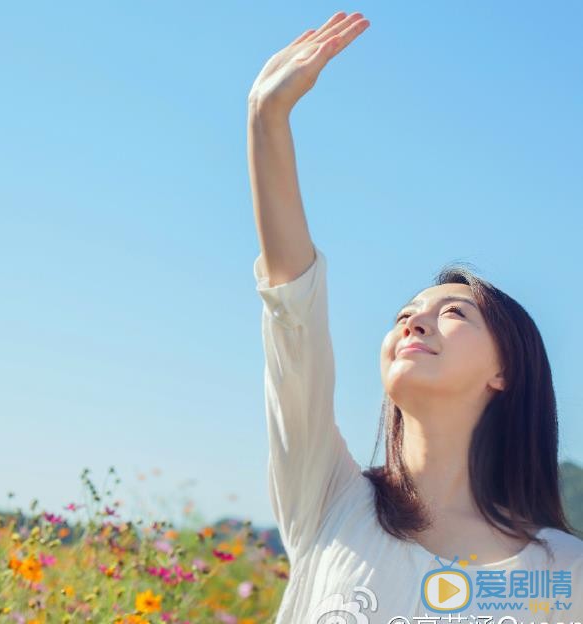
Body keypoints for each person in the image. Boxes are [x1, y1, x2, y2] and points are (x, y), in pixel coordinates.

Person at [248, 11, 583, 624]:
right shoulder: (330, 500)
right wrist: (267, 120)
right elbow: (293, 317)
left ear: (506, 370)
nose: (414, 323)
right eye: (405, 314)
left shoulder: (563, 575)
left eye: (453, 312)